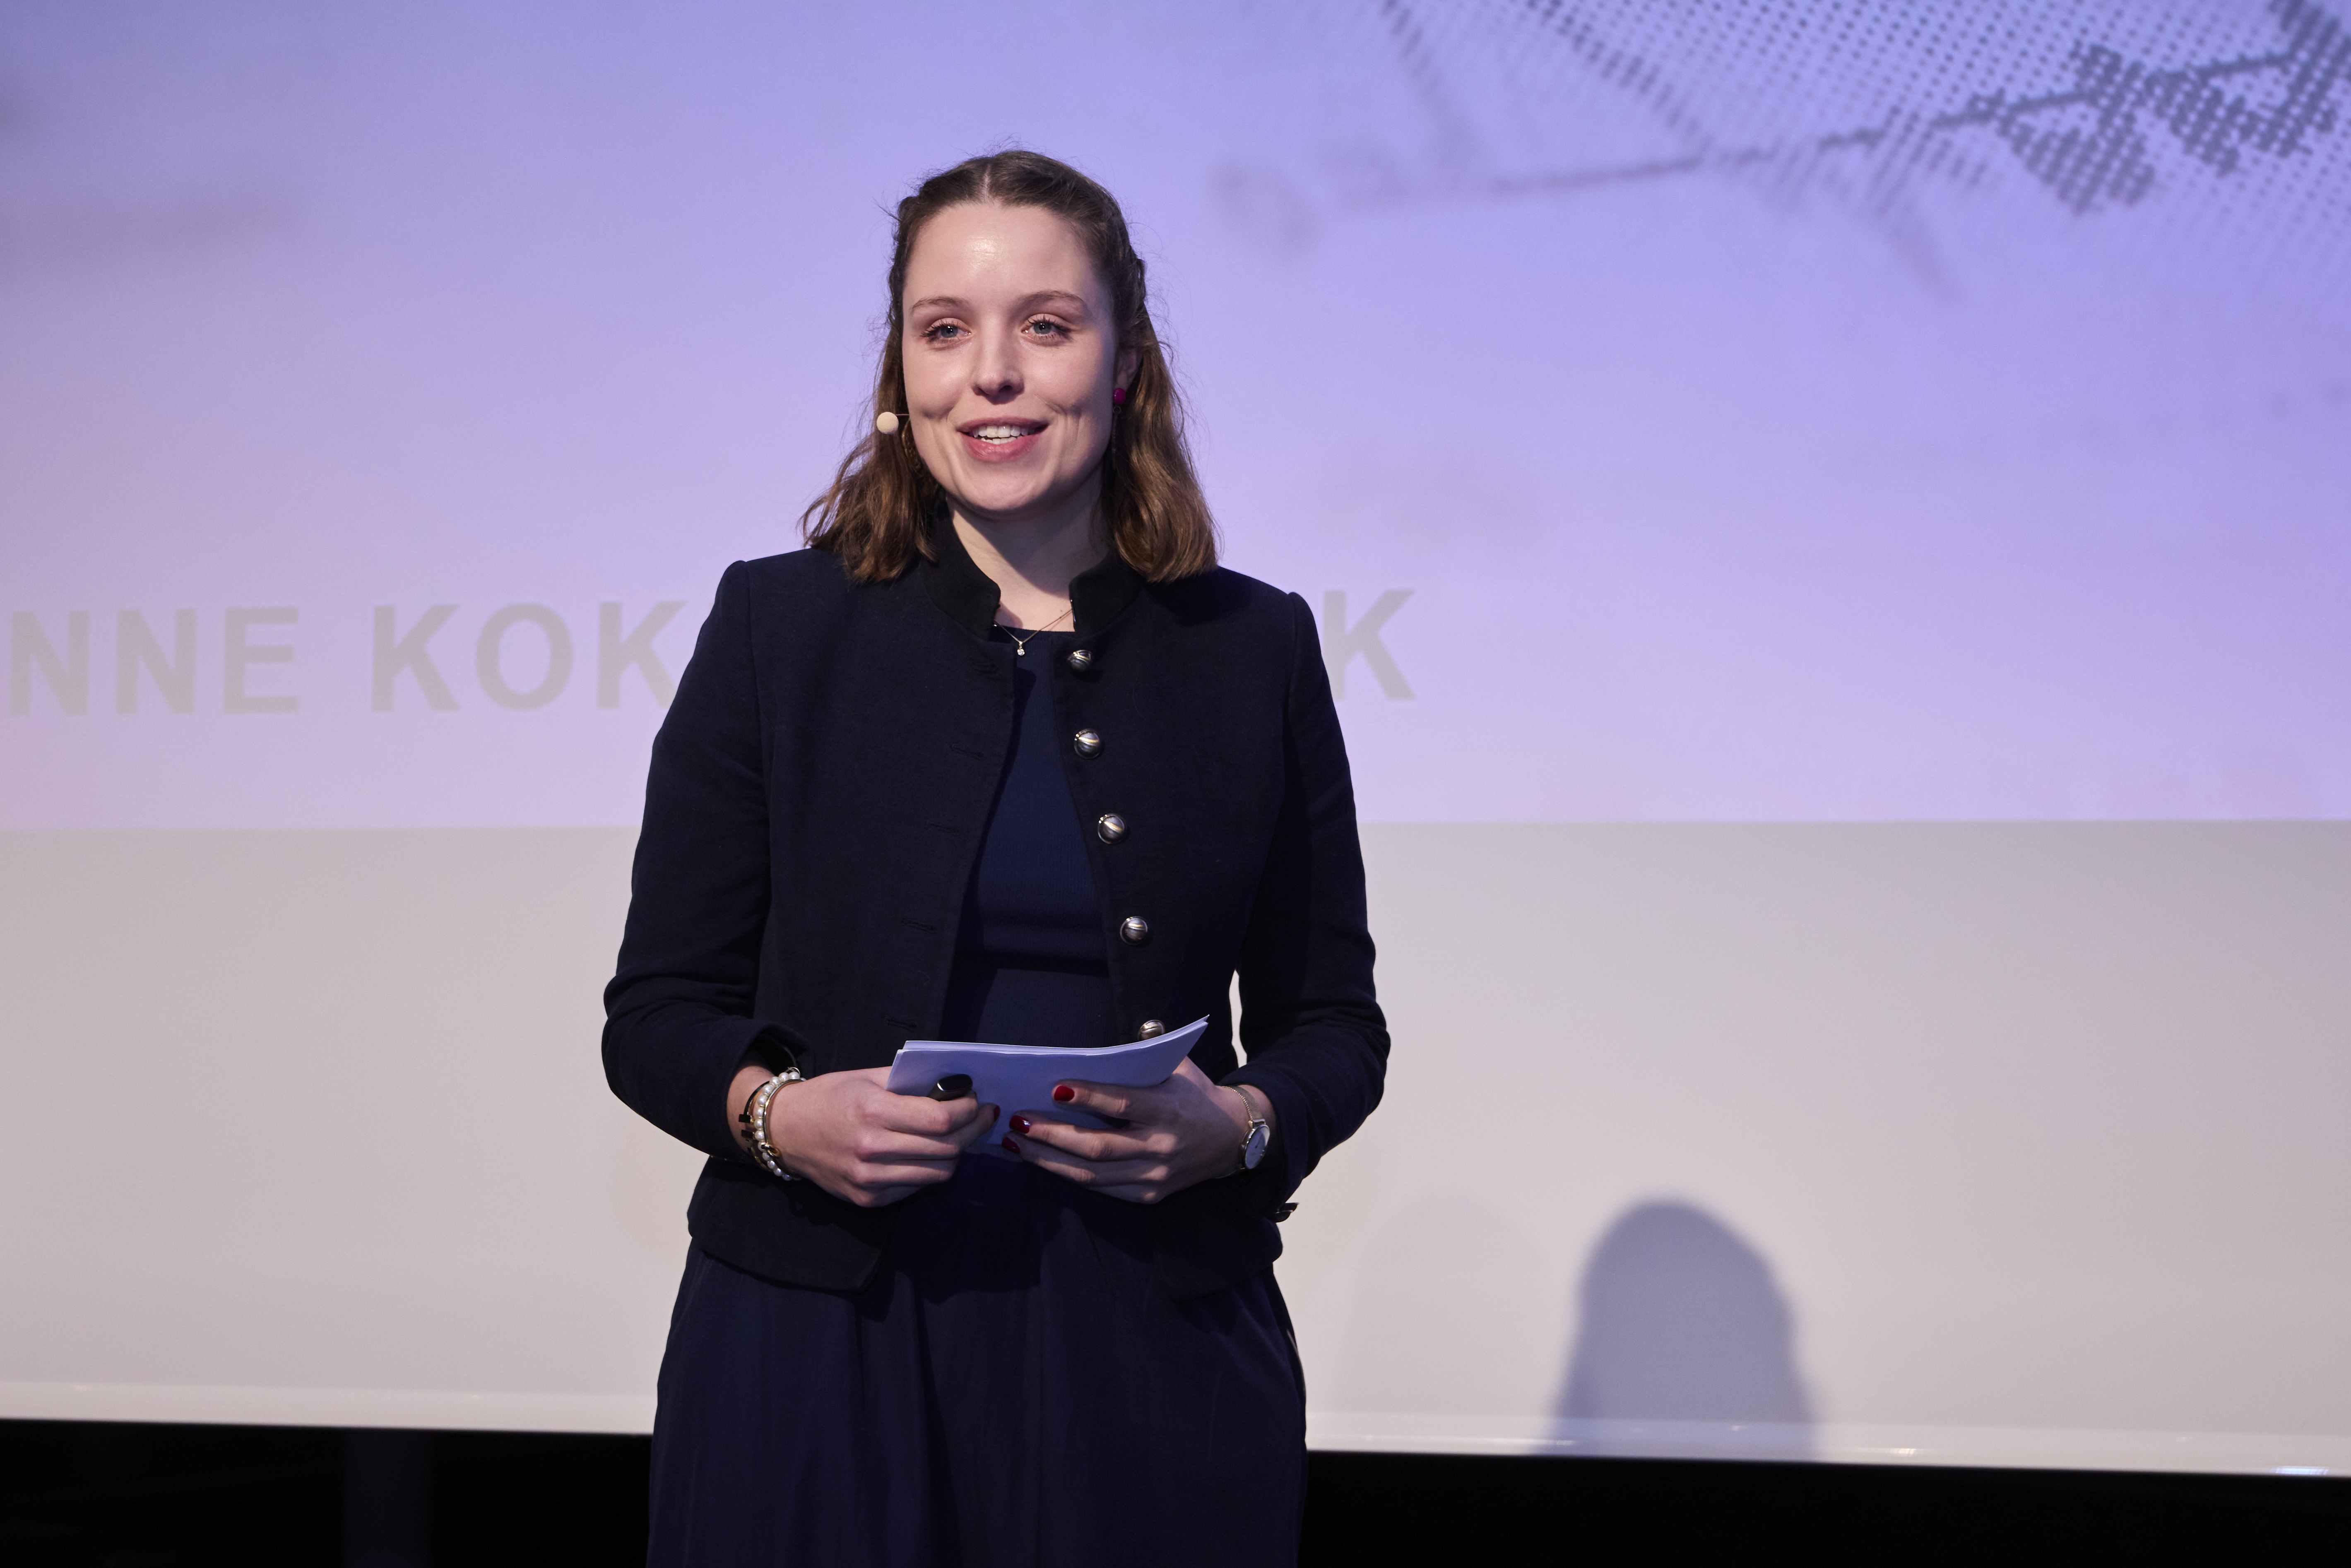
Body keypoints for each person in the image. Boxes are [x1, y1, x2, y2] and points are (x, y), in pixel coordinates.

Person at [603, 149, 1387, 1568]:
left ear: (1125, 363)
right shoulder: (777, 630)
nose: (993, 375)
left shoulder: (1253, 648)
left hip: (1150, 1352)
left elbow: (1334, 1025)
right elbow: (656, 1014)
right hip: (820, 1346)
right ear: (901, 372)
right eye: (945, 329)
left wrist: (1237, 1126)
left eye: (1047, 324)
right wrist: (781, 1117)